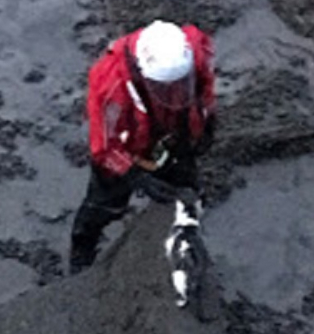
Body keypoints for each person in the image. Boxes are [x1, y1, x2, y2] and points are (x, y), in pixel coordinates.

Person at [69, 19, 218, 274]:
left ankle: (186, 237)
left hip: (175, 130)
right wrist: (135, 175)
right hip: (130, 142)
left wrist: (206, 124)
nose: (175, 92)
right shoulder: (112, 86)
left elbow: (205, 90)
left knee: (185, 186)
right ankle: (82, 250)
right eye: (166, 87)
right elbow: (104, 147)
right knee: (105, 202)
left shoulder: (193, 55)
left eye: (181, 84)